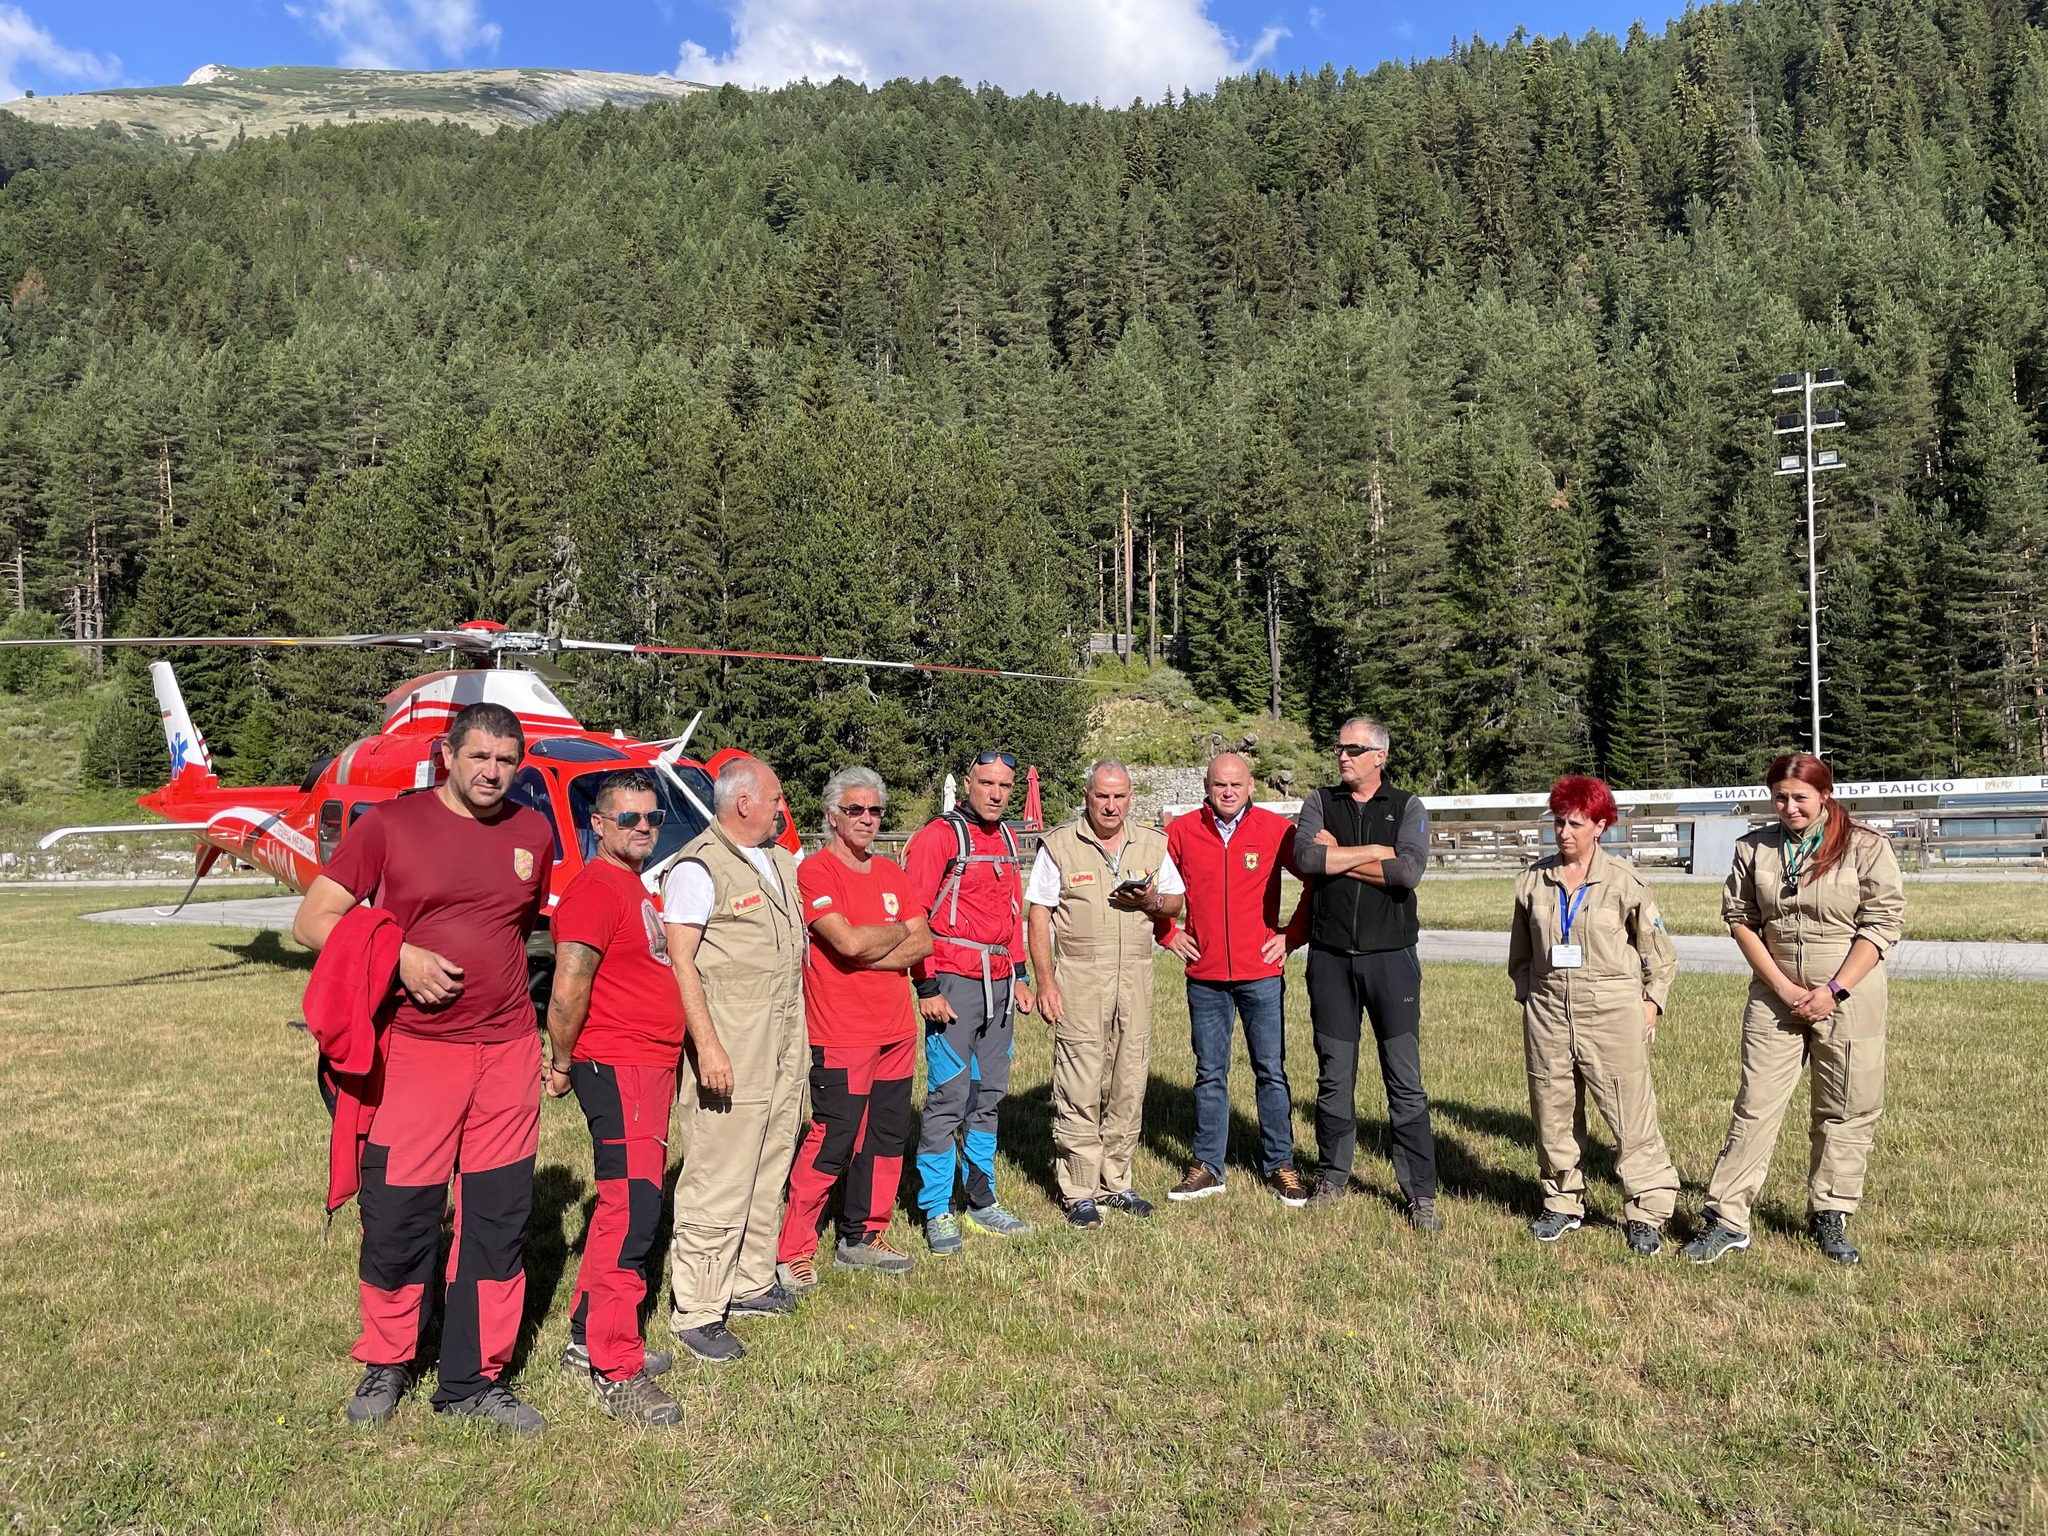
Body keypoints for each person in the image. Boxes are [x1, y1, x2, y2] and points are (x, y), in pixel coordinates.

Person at [292, 701, 555, 1435]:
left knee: (498, 1220)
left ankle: (476, 1377)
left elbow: (518, 926)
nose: (492, 772)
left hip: (507, 1055)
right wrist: (395, 953)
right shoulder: (390, 826)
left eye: (507, 760)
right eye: (479, 757)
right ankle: (388, 1359)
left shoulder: (534, 831)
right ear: (447, 754)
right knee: (401, 1215)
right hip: (416, 1054)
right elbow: (312, 920)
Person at [1684, 752, 1905, 1267]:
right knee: (1755, 1104)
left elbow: (1881, 926)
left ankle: (1830, 1212)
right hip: (1775, 992)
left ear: (1824, 795)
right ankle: (1727, 1219)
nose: (1789, 807)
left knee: (1846, 1107)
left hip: (1849, 993)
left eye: (1800, 797)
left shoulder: (1865, 847)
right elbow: (1740, 920)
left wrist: (1834, 990)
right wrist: (1782, 987)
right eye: (1780, 797)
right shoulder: (1753, 848)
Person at [543, 769, 684, 1425]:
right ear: (598, 825)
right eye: (629, 818)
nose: (644, 829)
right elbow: (568, 986)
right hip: (620, 1065)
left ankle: (586, 1332)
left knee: (621, 1205)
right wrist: (563, 1060)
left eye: (652, 818)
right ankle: (616, 1367)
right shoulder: (596, 888)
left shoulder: (633, 887)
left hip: (647, 1067)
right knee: (634, 1213)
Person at [662, 756, 807, 1362]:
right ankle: (697, 1307)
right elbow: (681, 960)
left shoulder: (775, 860)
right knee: (719, 1169)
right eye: (775, 798)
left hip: (782, 1034)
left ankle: (749, 1280)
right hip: (732, 1036)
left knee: (770, 1155)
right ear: (743, 802)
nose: (782, 808)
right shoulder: (698, 866)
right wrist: (709, 1044)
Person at [1507, 775, 1681, 1256]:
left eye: (1576, 824)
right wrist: (1531, 995)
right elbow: (1520, 956)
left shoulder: (1626, 883)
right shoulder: (1532, 882)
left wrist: (1650, 1003)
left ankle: (1646, 1209)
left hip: (1611, 1010)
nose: (1564, 832)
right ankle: (1562, 1202)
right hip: (1547, 1010)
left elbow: (1659, 956)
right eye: (1559, 822)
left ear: (1600, 826)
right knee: (1552, 1109)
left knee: (1629, 1112)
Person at [774, 767, 932, 1290]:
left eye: (875, 810)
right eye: (855, 810)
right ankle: (793, 1247)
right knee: (833, 1137)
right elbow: (844, 943)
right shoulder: (815, 872)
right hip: (840, 1030)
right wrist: (890, 937)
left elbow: (923, 943)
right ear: (832, 815)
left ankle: (863, 1235)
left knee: (886, 1137)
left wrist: (872, 948)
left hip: (896, 1029)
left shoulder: (891, 872)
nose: (867, 819)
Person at [1291, 716, 1444, 1230]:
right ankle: (1332, 1176)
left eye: (1354, 749)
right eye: (1339, 747)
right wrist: (1373, 853)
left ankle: (1420, 1193)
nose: (1343, 756)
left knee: (1404, 1080)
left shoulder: (1406, 806)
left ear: (1380, 755)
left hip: (1390, 960)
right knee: (1334, 1075)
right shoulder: (1319, 802)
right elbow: (1306, 859)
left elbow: (1407, 871)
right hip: (1331, 959)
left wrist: (1340, 855)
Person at [1026, 760, 1184, 1228]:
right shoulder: (1059, 846)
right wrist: (1046, 981)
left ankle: (1117, 1181)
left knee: (1128, 1080)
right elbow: (1038, 915)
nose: (1110, 806)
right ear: (1087, 796)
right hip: (1079, 974)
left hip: (1134, 975)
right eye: (1101, 796)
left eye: (1119, 797)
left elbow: (1175, 900)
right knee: (1079, 1081)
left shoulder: (1154, 844)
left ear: (1130, 797)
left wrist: (1152, 903)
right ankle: (1079, 1189)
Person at [1162, 752, 1311, 1206]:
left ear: (1251, 787)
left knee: (1271, 1071)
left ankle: (1280, 1163)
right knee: (1210, 1073)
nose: (1228, 792)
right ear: (1206, 786)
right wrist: (1167, 933)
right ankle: (1209, 1165)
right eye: (1219, 785)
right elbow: (1155, 888)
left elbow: (1315, 883)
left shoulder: (1276, 830)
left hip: (1261, 974)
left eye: (1236, 785)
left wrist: (1291, 937)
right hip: (1205, 975)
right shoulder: (1181, 831)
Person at [905, 751, 1037, 1254]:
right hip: (953, 986)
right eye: (987, 783)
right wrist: (927, 988)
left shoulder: (1005, 837)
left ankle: (981, 1202)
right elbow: (914, 918)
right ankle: (937, 1209)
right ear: (968, 783)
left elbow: (1012, 913)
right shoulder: (941, 836)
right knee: (947, 1101)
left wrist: (1021, 976)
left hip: (1000, 987)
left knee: (988, 1099)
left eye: (1005, 785)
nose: (997, 793)